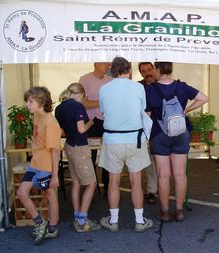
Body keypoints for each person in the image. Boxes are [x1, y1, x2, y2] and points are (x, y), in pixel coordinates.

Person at [145, 62, 208, 222]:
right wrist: (185, 110)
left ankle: (165, 211)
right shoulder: (182, 86)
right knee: (180, 174)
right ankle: (179, 210)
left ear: (158, 70)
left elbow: (147, 112)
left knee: (163, 175)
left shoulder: (150, 89)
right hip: (180, 131)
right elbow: (203, 98)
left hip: (159, 133)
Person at [98, 57, 153, 233]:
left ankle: (113, 221)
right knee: (136, 182)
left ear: (111, 71)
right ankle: (139, 221)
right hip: (135, 139)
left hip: (112, 140)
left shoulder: (104, 89)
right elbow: (143, 109)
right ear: (129, 70)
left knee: (113, 181)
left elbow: (103, 111)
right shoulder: (139, 87)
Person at [16, 86, 62, 244]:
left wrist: (55, 175)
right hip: (35, 163)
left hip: (46, 167)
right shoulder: (36, 115)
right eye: (27, 101)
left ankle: (53, 228)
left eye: (30, 101)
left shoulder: (51, 123)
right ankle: (40, 222)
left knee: (50, 195)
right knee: (22, 193)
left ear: (41, 102)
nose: (27, 105)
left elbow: (55, 152)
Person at [55, 83, 101, 233]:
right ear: (81, 94)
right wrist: (91, 122)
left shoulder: (59, 108)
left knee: (76, 182)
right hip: (80, 147)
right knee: (91, 183)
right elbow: (81, 129)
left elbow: (61, 132)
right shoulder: (77, 106)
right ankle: (82, 219)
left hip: (68, 145)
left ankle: (77, 216)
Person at [79, 62, 112, 195]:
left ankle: (107, 184)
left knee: (109, 154)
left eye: (109, 64)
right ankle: (89, 185)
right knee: (90, 155)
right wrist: (103, 101)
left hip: (108, 121)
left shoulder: (111, 80)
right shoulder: (85, 79)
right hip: (92, 122)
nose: (108, 66)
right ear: (96, 63)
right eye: (105, 63)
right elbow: (83, 103)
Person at [138, 62, 158, 204]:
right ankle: (150, 190)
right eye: (144, 71)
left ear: (154, 69)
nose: (147, 73)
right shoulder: (138, 87)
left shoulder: (162, 85)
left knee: (159, 161)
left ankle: (156, 189)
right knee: (148, 162)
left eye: (149, 69)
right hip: (144, 129)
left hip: (161, 129)